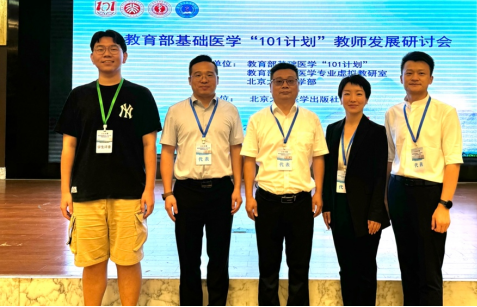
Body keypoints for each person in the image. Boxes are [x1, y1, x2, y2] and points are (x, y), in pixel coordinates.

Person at [57, 30, 162, 306]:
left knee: (128, 260)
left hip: (129, 192)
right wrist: (65, 191)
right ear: (92, 57)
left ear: (124, 56)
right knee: (92, 262)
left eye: (114, 48)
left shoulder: (140, 95)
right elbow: (68, 147)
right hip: (86, 192)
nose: (107, 54)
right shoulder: (79, 96)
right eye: (100, 49)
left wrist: (149, 189)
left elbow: (149, 146)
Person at [242, 63, 329, 307]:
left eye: (290, 81)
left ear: (298, 85)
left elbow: (318, 157)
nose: (285, 86)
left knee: (299, 266)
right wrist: (249, 196)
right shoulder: (258, 119)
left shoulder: (311, 119)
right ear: (270, 86)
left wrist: (318, 193)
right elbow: (249, 159)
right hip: (267, 201)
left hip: (300, 202)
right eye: (279, 81)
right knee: (268, 266)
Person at [160, 55, 244, 306]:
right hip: (186, 191)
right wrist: (168, 193)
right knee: (188, 258)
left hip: (221, 190)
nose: (204, 79)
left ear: (218, 79)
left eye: (209, 75)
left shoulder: (230, 110)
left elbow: (236, 150)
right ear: (189, 80)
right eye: (198, 75)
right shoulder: (176, 111)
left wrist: (237, 188)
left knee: (219, 257)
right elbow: (167, 152)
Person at [385, 52, 463, 307]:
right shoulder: (392, 113)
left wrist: (444, 205)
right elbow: (390, 158)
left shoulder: (445, 112)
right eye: (409, 73)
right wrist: (386, 197)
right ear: (401, 78)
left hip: (430, 194)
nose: (414, 77)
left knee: (429, 268)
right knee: (407, 265)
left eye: (421, 73)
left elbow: (452, 161)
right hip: (398, 191)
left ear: (431, 78)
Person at [322, 75, 390, 306]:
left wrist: (376, 213)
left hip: (366, 210)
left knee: (365, 267)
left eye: (359, 94)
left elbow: (380, 175)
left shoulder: (376, 132)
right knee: (346, 266)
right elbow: (328, 171)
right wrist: (327, 206)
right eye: (347, 94)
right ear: (340, 98)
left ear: (367, 99)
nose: (353, 98)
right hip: (339, 206)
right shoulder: (332, 130)